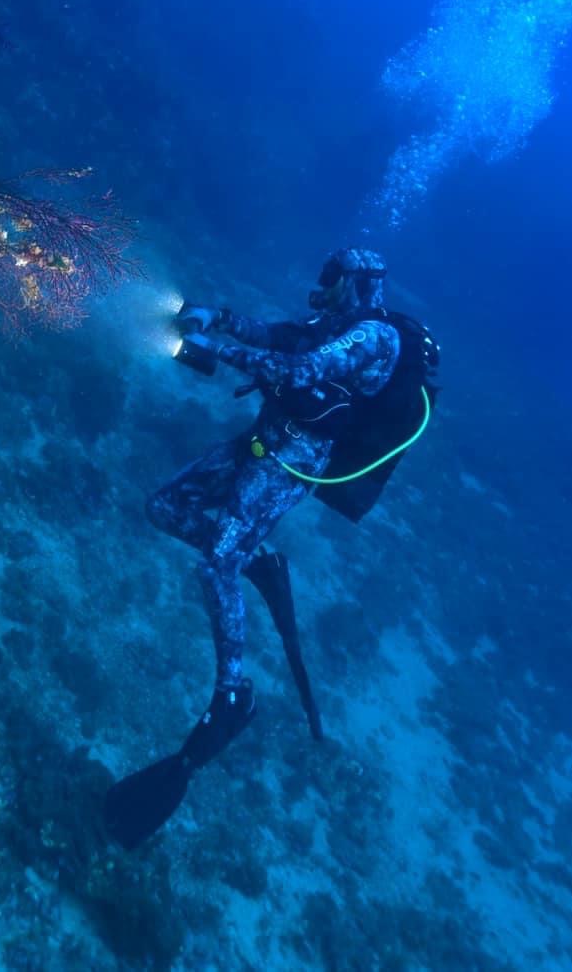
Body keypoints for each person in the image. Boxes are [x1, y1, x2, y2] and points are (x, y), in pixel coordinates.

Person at [103, 248, 438, 848]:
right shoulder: (333, 324)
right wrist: (218, 316)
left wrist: (215, 348)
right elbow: (280, 335)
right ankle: (254, 557)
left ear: (358, 283)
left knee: (215, 566)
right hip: (263, 443)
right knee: (165, 509)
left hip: (290, 465)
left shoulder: (375, 340)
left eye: (334, 280)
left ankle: (234, 690)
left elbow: (298, 371)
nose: (323, 288)